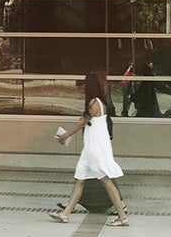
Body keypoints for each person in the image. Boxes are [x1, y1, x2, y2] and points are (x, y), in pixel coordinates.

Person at [50, 71, 131, 226]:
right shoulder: (101, 103)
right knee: (79, 181)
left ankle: (122, 217)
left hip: (95, 151)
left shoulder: (94, 103)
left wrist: (65, 136)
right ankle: (65, 214)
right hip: (89, 151)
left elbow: (82, 122)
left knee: (106, 182)